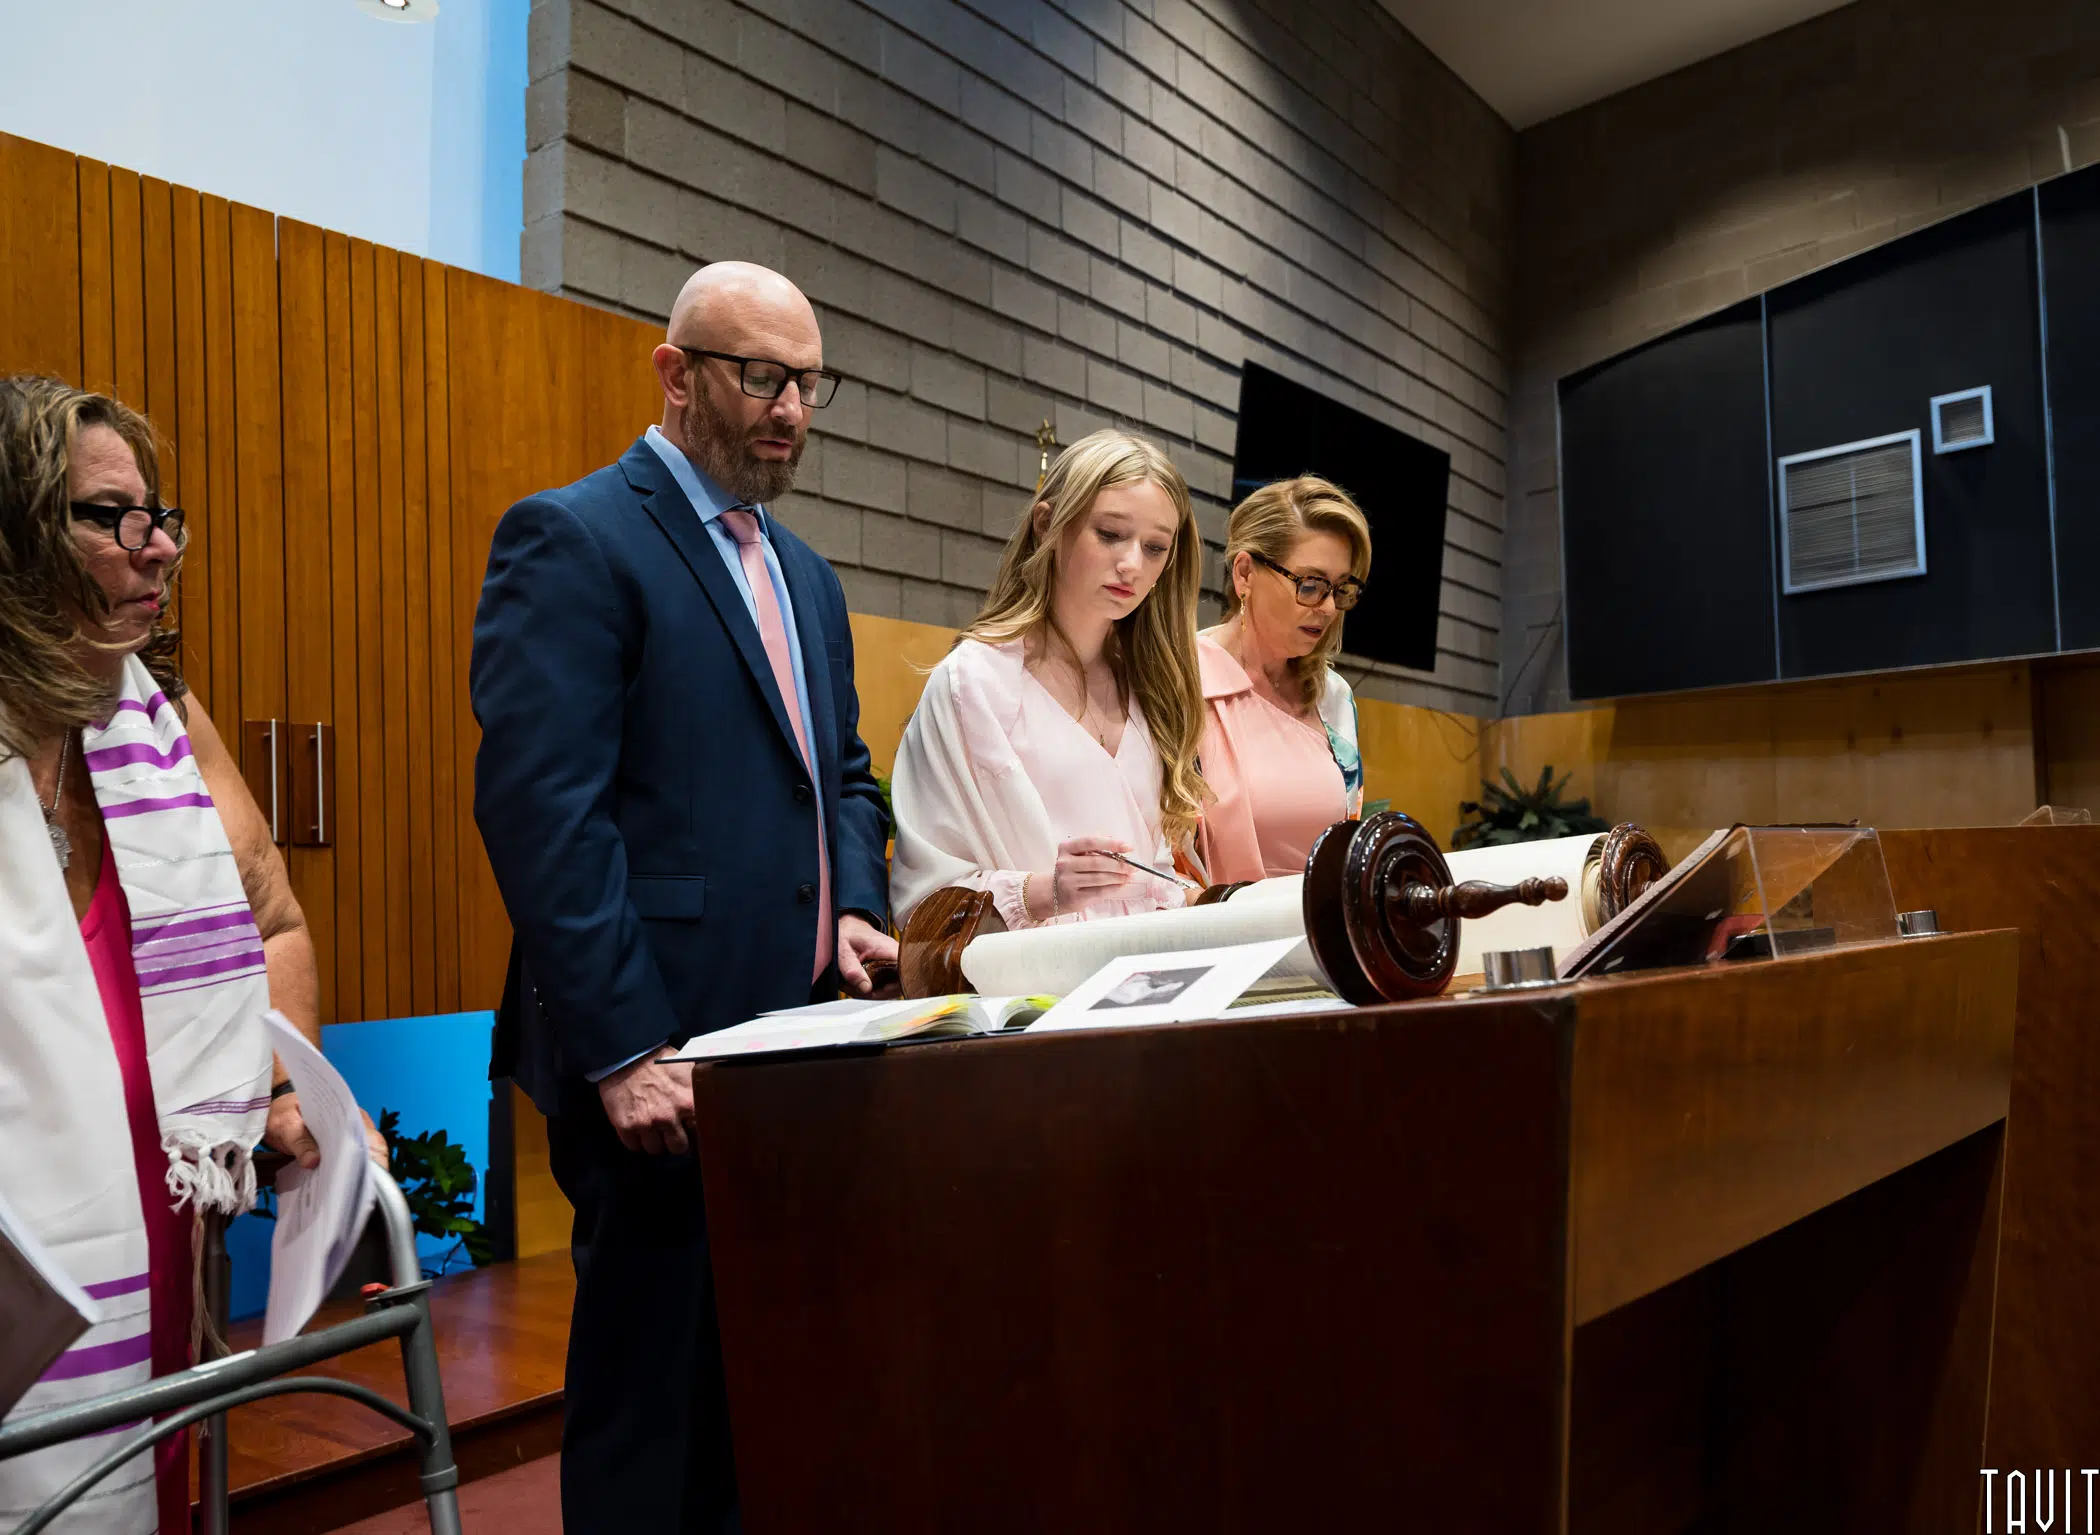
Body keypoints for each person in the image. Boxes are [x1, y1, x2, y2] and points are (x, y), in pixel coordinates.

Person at [471, 261, 896, 1534]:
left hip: (795, 1039)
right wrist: (626, 1045)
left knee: (758, 1389)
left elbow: (847, 780)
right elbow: (545, 812)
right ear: (676, 372)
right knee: (650, 1406)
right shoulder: (576, 535)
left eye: (811, 382)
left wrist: (857, 904)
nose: (793, 409)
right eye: (762, 376)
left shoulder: (807, 575)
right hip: (657, 1051)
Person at [0, 375, 382, 1534]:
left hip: (166, 1215)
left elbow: (272, 919)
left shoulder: (160, 711)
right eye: (113, 516)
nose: (158, 546)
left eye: (162, 514)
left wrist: (279, 1085)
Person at [889, 429, 1207, 929]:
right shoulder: (974, 682)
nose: (1132, 565)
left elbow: (1157, 872)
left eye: (1155, 547)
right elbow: (925, 892)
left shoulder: (1150, 686)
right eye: (1109, 534)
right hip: (1030, 990)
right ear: (1047, 524)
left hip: (1143, 981)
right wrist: (1045, 892)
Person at [1195, 476, 1372, 883]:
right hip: (1216, 932)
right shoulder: (1183, 677)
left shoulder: (1334, 697)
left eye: (1342, 589)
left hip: (1319, 933)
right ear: (1245, 573)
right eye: (1310, 586)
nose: (1328, 608)